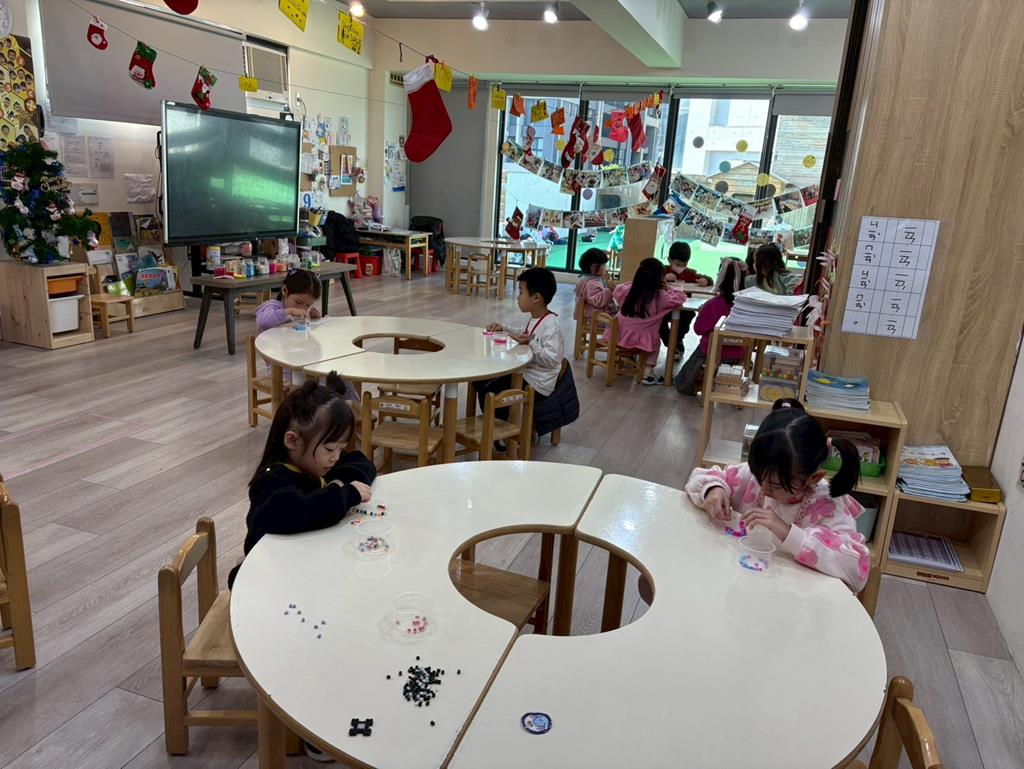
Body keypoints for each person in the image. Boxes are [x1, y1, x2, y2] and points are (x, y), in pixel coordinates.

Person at [685, 399, 871, 592]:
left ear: (813, 478)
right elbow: (700, 477)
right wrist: (714, 489)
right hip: (744, 584)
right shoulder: (758, 475)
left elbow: (857, 568)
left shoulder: (827, 506)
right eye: (759, 477)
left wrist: (788, 532)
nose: (764, 489)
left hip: (796, 598)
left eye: (775, 486)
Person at [228, 373, 375, 590]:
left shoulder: (317, 462)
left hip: (302, 566)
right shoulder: (271, 482)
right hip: (265, 580)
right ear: (293, 441)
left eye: (341, 448)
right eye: (329, 449)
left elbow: (363, 464)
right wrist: (344, 493)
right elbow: (298, 510)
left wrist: (339, 482)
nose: (335, 457)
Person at [480, 267, 565, 449]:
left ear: (536, 298)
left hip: (538, 383)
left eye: (521, 292)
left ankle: (503, 435)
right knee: (481, 381)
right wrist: (504, 328)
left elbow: (552, 360)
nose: (517, 297)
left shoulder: (551, 325)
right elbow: (524, 333)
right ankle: (493, 427)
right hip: (526, 373)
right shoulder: (536, 318)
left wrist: (530, 344)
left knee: (491, 391)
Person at [673, 259, 747, 395]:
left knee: (681, 383)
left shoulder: (713, 305)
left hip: (709, 355)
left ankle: (701, 384)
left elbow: (698, 329)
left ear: (720, 278)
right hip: (737, 355)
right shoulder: (745, 307)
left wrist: (701, 313)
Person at [608, 257, 686, 385]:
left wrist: (633, 283)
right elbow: (680, 297)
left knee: (648, 336)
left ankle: (628, 359)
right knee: (655, 343)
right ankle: (648, 373)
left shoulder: (628, 290)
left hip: (618, 335)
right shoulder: (660, 296)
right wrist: (669, 288)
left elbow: (618, 289)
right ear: (660, 279)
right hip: (644, 340)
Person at [659, 241, 713, 354]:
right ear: (669, 260)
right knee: (658, 319)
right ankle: (672, 343)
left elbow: (709, 280)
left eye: (684, 264)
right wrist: (663, 277)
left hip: (683, 309)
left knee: (689, 315)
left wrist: (705, 281)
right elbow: (652, 279)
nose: (681, 267)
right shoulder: (663, 270)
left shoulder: (690, 274)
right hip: (664, 308)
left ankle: (676, 342)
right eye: (678, 264)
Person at [255, 268, 322, 332]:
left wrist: (315, 320)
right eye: (298, 302)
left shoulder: (303, 311)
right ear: (284, 290)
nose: (302, 309)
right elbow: (263, 323)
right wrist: (290, 311)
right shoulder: (272, 307)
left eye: (308, 305)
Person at [574, 247, 615, 327]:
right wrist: (609, 290)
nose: (605, 268)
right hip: (595, 318)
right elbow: (597, 301)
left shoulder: (594, 280)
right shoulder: (590, 283)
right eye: (603, 265)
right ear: (594, 268)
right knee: (620, 321)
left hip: (597, 315)